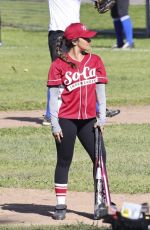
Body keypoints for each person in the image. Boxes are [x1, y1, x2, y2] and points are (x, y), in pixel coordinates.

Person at [47, 22, 110, 220]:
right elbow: (53, 98)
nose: (90, 41)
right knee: (64, 160)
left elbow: (101, 92)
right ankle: (60, 206)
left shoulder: (95, 61)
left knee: (100, 159)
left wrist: (101, 117)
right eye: (86, 38)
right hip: (67, 120)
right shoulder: (58, 65)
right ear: (75, 41)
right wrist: (54, 123)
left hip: (89, 121)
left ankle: (100, 203)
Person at [42, 0, 120, 126]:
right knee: (60, 75)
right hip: (59, 33)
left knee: (83, 71)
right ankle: (49, 115)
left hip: (76, 34)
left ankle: (97, 109)